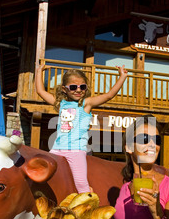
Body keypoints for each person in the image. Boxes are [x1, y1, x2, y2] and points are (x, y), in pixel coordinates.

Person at [35, 63, 128, 193]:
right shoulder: (61, 103)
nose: (78, 90)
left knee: (81, 184)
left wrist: (122, 77)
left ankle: (87, 207)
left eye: (82, 87)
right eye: (73, 87)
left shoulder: (86, 104)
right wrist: (39, 71)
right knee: (46, 175)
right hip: (57, 149)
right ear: (64, 89)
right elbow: (40, 91)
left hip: (76, 150)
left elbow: (108, 96)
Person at [114, 115, 169, 219]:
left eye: (157, 140)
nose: (153, 144)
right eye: (144, 138)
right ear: (129, 147)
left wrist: (157, 214)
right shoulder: (125, 187)